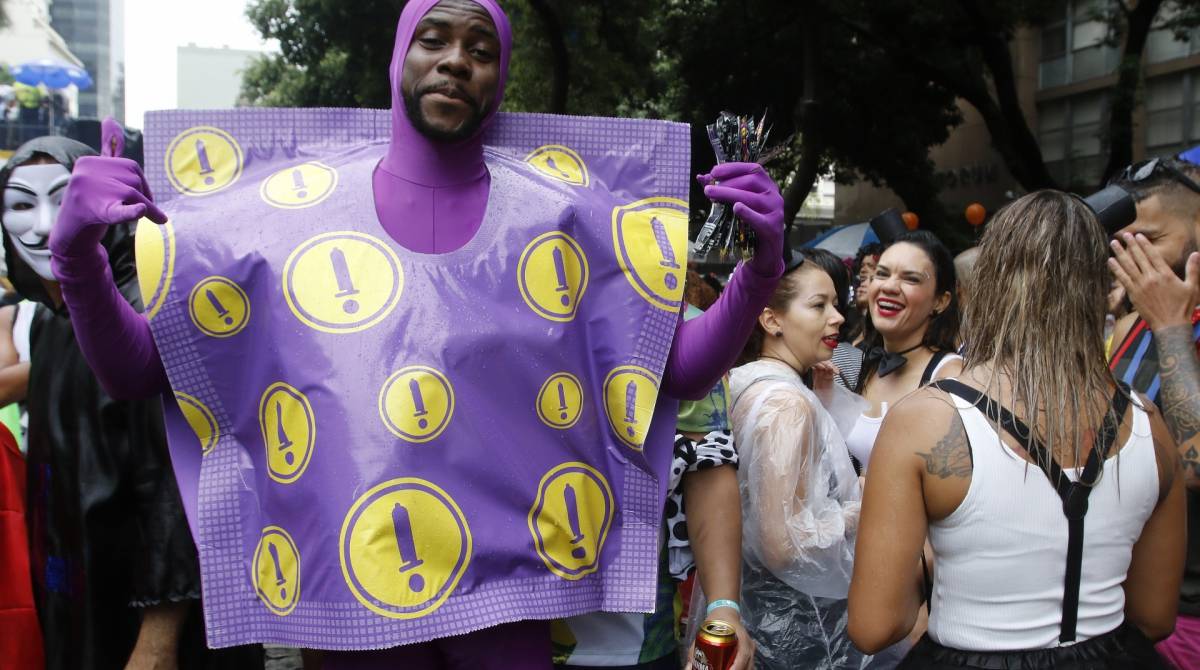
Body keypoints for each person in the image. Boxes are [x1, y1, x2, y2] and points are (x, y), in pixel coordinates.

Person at [48, 1, 785, 666]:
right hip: (351, 601)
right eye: (433, 38)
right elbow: (139, 371)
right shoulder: (282, 221)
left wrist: (759, 273)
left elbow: (675, 372)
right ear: (399, 55)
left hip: (509, 595)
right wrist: (76, 259)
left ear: (500, 76)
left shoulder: (566, 220)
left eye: (480, 46)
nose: (455, 59)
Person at [849, 190, 1185, 669]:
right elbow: (1154, 617)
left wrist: (928, 557)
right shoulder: (1149, 424)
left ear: (986, 284)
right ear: (1098, 287)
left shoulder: (926, 420)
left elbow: (874, 626)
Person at [1, 136, 263, 669]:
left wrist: (157, 640)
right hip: (86, 599)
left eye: (63, 199)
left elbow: (177, 486)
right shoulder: (53, 323)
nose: (44, 224)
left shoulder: (141, 311)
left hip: (156, 621)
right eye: (22, 204)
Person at [729, 248, 867, 669]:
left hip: (755, 608)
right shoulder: (788, 406)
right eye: (818, 305)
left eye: (837, 305)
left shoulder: (743, 381)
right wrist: (860, 508)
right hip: (795, 628)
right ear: (771, 320)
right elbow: (784, 545)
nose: (838, 317)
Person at [1107, 156, 1200, 668]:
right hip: (1121, 603)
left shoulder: (1160, 323)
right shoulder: (1128, 330)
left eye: (1148, 239)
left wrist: (1170, 327)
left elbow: (1195, 467)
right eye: (1121, 245)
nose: (1129, 259)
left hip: (1189, 615)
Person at [845, 231, 962, 473]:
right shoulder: (868, 366)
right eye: (882, 274)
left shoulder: (950, 378)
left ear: (940, 301)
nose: (889, 286)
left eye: (910, 279)